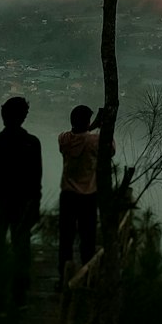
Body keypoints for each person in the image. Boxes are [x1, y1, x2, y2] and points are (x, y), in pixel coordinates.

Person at [0, 96, 42, 306]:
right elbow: (36, 179)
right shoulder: (31, 143)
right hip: (23, 203)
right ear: (24, 116)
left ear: (3, 115)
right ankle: (19, 294)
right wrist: (35, 205)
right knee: (21, 248)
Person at [58, 105, 105, 286]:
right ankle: (86, 276)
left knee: (66, 238)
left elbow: (76, 135)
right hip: (88, 196)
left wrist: (90, 127)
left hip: (68, 196)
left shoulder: (64, 139)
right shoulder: (95, 141)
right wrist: (98, 126)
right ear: (88, 121)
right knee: (88, 237)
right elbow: (111, 149)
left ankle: (63, 275)